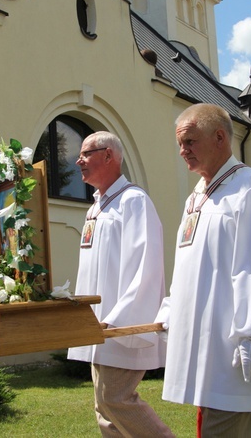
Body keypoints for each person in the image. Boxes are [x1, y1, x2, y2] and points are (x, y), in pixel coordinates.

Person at [159, 103, 251, 437]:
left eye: (189, 141)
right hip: (205, 347)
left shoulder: (250, 188)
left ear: (220, 137)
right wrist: (172, 310)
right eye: (179, 143)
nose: (182, 151)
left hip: (233, 347)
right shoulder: (196, 197)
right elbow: (189, 267)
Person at [67, 131, 172, 437]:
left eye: (86, 153)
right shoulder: (95, 208)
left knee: (115, 399)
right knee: (104, 409)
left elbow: (146, 263)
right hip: (96, 325)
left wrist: (120, 318)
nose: (78, 161)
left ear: (109, 155)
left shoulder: (133, 201)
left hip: (119, 324)